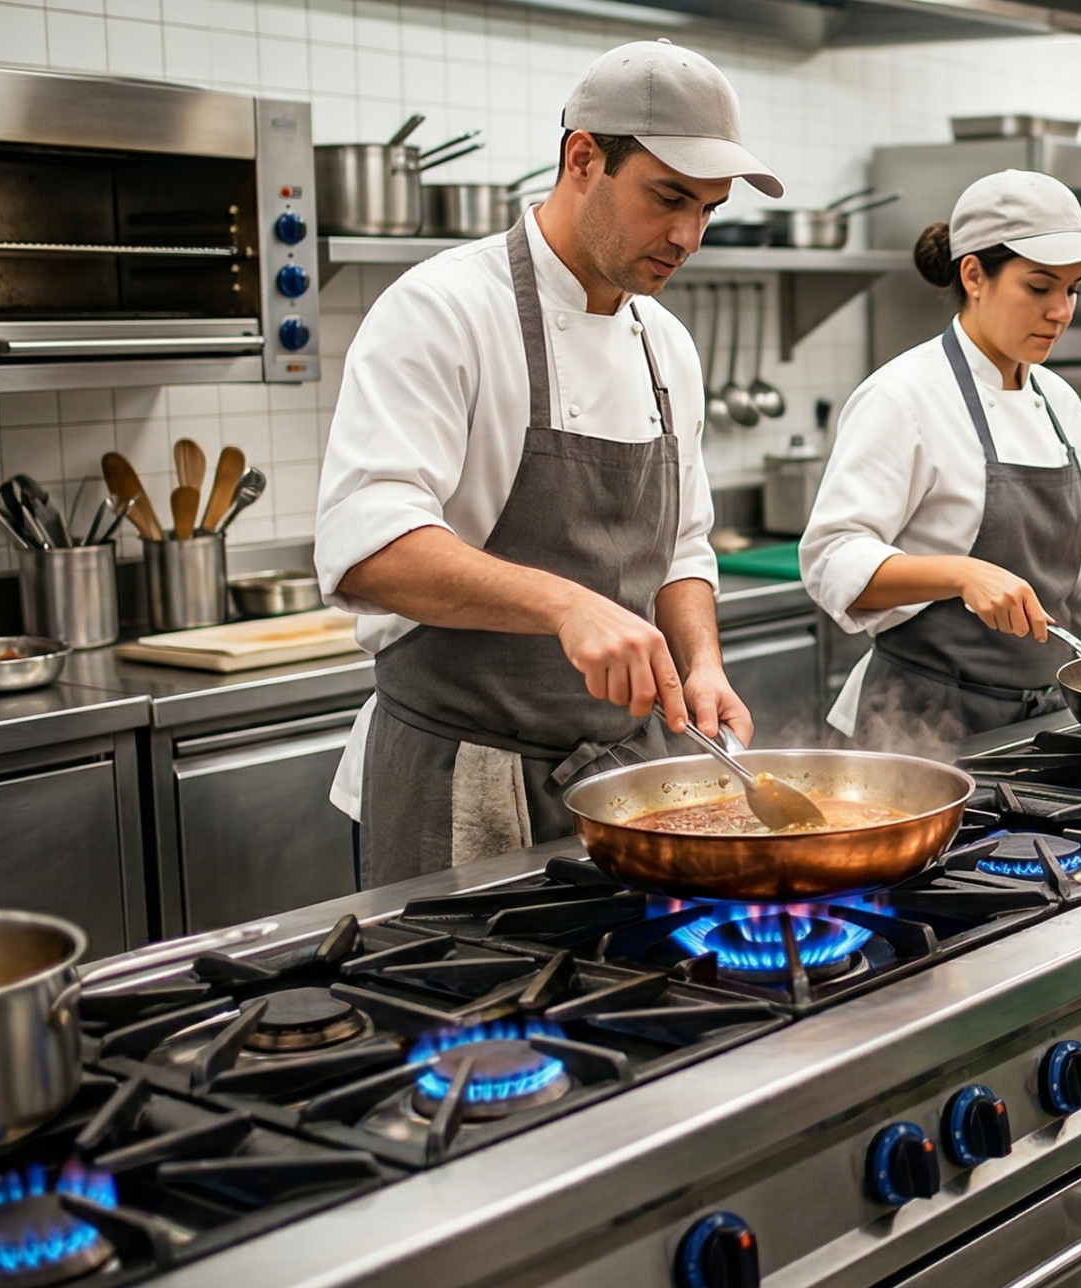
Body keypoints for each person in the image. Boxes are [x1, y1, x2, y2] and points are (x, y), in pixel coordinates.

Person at [316, 39, 778, 886]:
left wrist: (703, 662)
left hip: (627, 787)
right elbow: (368, 547)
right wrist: (568, 605)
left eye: (708, 210)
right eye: (668, 198)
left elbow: (682, 547)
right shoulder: (441, 309)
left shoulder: (665, 341)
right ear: (582, 159)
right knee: (471, 1015)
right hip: (463, 780)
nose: (688, 236)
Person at [801, 171, 1081, 750]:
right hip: (917, 727)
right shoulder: (903, 395)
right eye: (1039, 287)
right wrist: (960, 574)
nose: (1061, 311)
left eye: (1073, 289)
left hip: (1039, 722)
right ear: (974, 275)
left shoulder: (1059, 400)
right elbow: (832, 560)